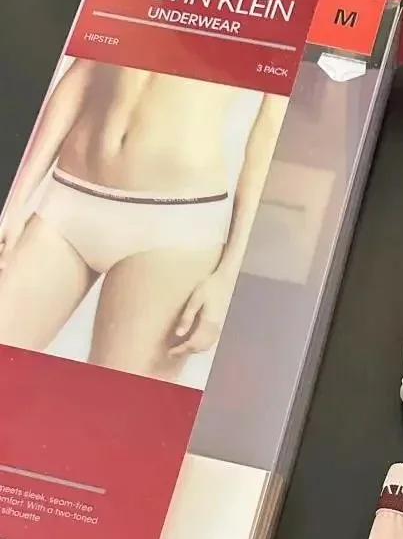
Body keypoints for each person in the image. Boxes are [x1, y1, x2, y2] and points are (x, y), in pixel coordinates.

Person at [0, 58, 287, 382]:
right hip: (67, 198)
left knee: (115, 403)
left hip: (173, 226)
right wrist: (15, 202)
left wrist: (230, 276)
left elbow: (269, 139)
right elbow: (83, 72)